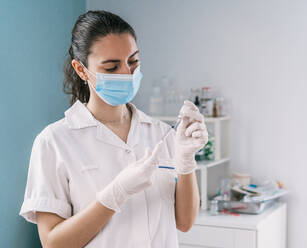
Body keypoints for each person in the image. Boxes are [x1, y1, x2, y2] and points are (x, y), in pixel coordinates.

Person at [19, 10, 208, 248]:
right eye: (111, 67)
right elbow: (53, 243)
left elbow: (185, 222)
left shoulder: (161, 133)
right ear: (81, 70)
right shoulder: (54, 141)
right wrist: (115, 194)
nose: (127, 74)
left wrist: (186, 160)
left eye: (133, 61)